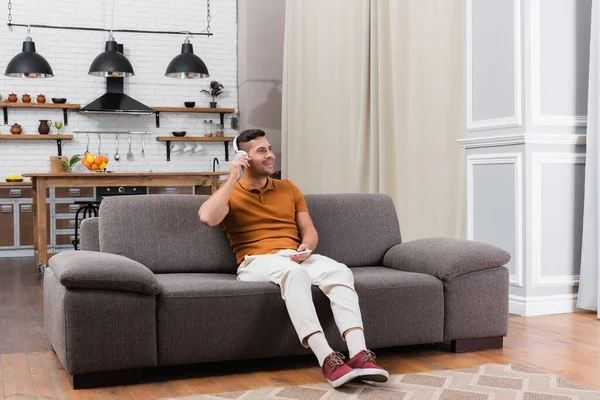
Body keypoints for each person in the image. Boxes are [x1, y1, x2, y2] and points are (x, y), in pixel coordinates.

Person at [198, 129, 389, 388]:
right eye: (261, 151)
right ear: (243, 157)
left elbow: (309, 230)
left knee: (339, 270)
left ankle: (358, 355)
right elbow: (208, 217)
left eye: (269, 149)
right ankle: (327, 358)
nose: (270, 155)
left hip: (294, 256)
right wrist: (232, 177)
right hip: (256, 262)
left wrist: (306, 249)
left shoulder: (288, 188)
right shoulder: (231, 191)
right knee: (293, 273)